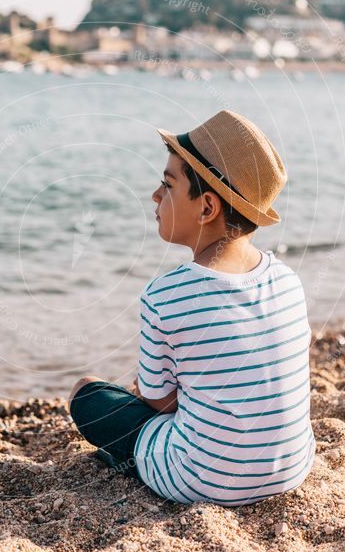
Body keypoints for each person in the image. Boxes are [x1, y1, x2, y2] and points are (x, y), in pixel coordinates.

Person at [68, 109, 315, 506]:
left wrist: (162, 393)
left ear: (207, 208)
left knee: (88, 397)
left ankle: (132, 461)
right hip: (290, 468)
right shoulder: (287, 280)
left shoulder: (167, 294)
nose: (155, 195)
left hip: (203, 481)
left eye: (167, 184)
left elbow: (160, 403)